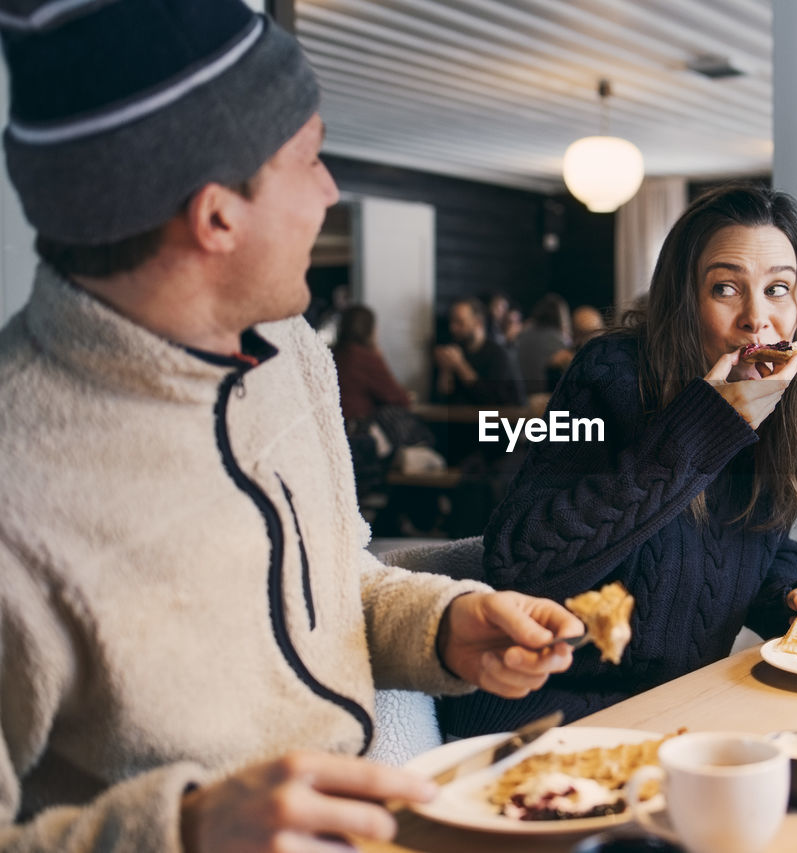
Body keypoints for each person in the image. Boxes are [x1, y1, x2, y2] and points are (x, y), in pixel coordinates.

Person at [0, 2, 582, 851]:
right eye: (309, 156)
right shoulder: (17, 481)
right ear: (216, 219)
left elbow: (338, 580)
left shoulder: (291, 350)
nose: (330, 191)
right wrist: (186, 830)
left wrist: (444, 625)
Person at [439, 184, 797, 737]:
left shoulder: (775, 402)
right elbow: (520, 562)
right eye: (726, 288)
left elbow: (753, 559)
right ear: (686, 298)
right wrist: (702, 429)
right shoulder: (612, 373)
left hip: (679, 716)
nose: (757, 319)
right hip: (547, 719)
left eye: (778, 289)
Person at [432, 296, 526, 408]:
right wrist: (445, 371)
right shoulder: (456, 350)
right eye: (452, 321)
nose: (453, 328)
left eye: (460, 322)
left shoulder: (498, 354)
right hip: (459, 422)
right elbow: (442, 400)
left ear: (478, 322)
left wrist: (460, 366)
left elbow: (491, 399)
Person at [514, 292, 572, 394]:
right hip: (543, 397)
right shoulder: (558, 340)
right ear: (561, 316)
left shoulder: (523, 334)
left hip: (521, 394)